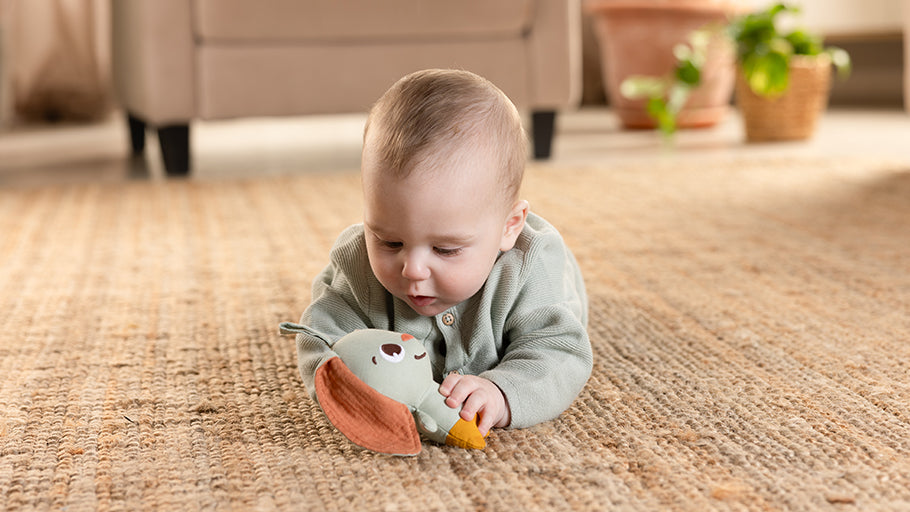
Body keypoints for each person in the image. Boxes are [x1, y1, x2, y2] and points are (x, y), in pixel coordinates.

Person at [291, 69, 592, 436]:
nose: (413, 269)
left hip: (553, 281)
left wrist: (502, 391)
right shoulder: (355, 266)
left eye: (446, 249)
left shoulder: (529, 269)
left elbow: (560, 353)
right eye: (389, 241)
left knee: (562, 304)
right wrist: (342, 388)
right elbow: (318, 334)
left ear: (509, 227)